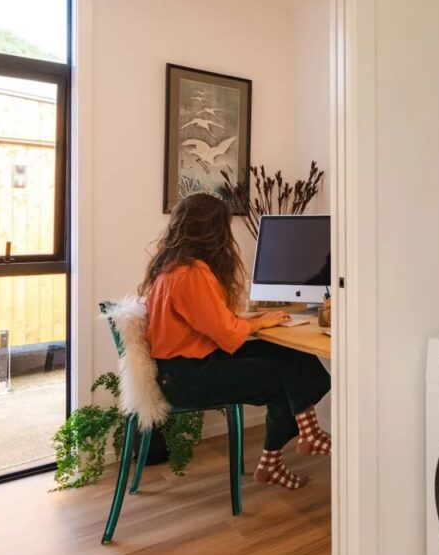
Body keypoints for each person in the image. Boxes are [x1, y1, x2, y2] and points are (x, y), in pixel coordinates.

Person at [140, 193, 331, 490]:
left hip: (183, 369)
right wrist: (261, 321)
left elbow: (215, 324)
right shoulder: (191, 273)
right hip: (189, 377)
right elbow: (228, 334)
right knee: (288, 377)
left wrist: (257, 321)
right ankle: (288, 450)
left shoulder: (172, 267)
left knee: (291, 356)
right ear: (214, 231)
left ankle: (304, 437)